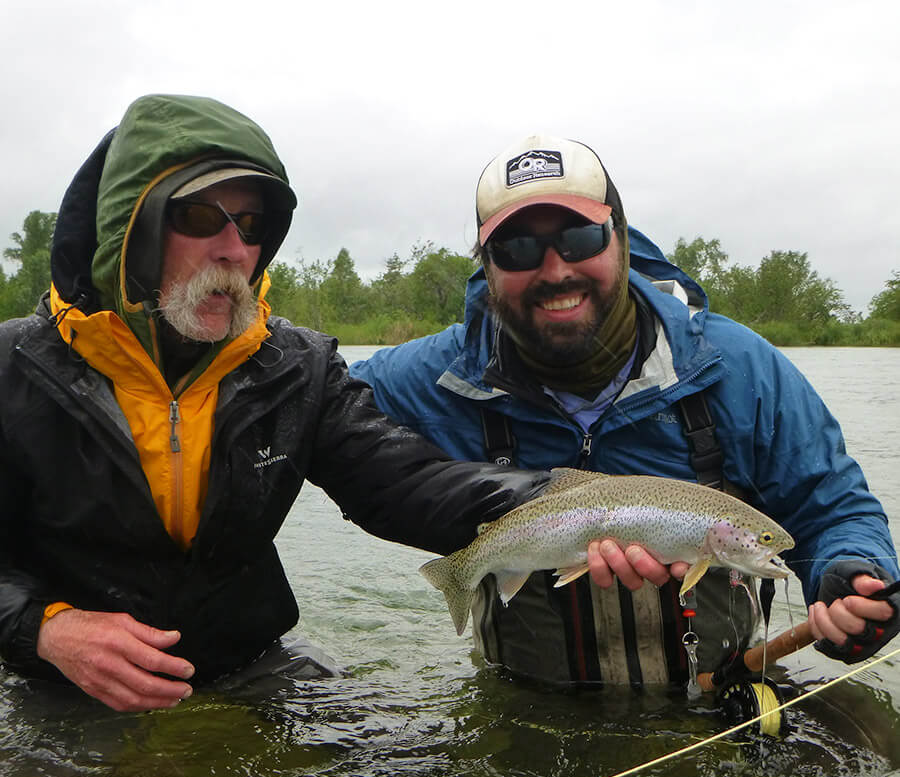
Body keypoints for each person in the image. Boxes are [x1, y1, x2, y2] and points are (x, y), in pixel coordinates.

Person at [0, 95, 552, 712]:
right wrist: (46, 630)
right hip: (60, 687)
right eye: (202, 218)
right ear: (131, 227)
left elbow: (407, 485)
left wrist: (574, 506)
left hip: (254, 672)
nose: (234, 249)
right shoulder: (13, 369)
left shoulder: (298, 367)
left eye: (253, 226)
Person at [351, 135, 899, 688]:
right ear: (487, 267)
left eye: (579, 237)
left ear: (621, 238)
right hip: (526, 704)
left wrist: (852, 574)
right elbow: (310, 403)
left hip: (716, 697)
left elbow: (833, 508)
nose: (554, 269)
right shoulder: (433, 379)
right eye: (516, 248)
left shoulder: (739, 369)